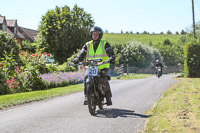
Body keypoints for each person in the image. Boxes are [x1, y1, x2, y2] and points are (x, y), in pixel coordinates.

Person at [73, 26, 115, 106]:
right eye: (93, 34)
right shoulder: (88, 44)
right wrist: (77, 59)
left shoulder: (104, 44)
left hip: (103, 66)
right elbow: (82, 53)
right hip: (92, 66)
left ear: (100, 35)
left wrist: (111, 58)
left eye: (96, 34)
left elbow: (110, 52)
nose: (94, 36)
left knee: (103, 79)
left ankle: (108, 97)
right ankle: (87, 97)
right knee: (86, 79)